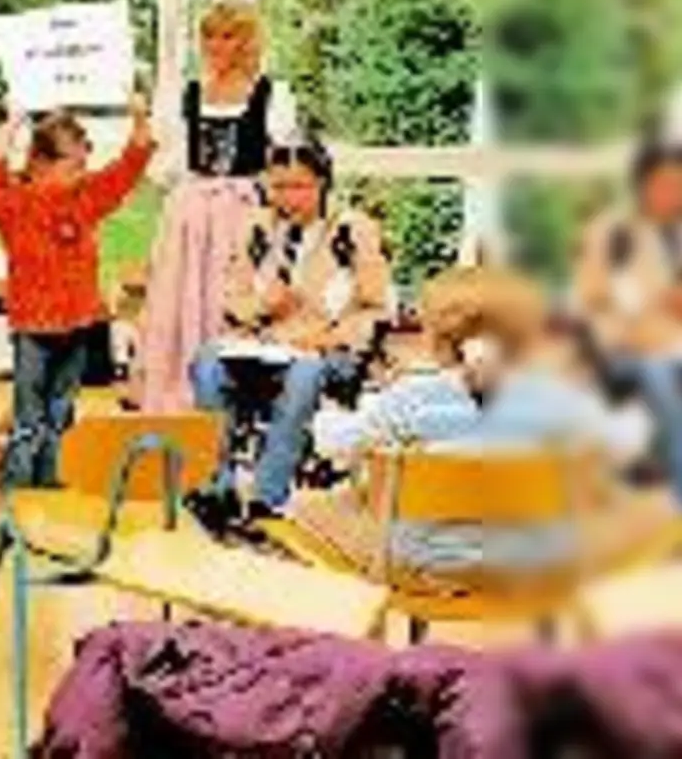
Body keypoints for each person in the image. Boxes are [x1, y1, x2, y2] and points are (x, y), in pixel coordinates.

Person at [290, 266, 676, 582]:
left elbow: (335, 444)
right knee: (649, 510)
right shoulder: (553, 396)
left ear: (438, 335)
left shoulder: (412, 396)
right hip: (538, 564)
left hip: (428, 564)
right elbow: (626, 441)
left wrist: (330, 412)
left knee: (312, 505)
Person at [184, 139, 393, 531]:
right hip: (266, 342)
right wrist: (264, 308)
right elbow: (235, 295)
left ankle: (268, 497)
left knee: (304, 375)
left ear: (323, 183)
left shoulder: (353, 230)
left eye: (299, 186)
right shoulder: (257, 227)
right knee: (206, 362)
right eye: (278, 186)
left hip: (327, 348)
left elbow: (375, 308)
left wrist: (321, 340)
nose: (288, 198)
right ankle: (218, 487)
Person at [0, 95, 156, 488]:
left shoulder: (86, 197)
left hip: (77, 326)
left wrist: (140, 118)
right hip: (33, 329)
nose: (82, 173)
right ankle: (19, 491)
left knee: (61, 414)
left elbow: (129, 167)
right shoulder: (16, 203)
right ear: (40, 163)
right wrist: (11, 123)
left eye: (84, 165)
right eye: (73, 164)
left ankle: (50, 485)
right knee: (29, 417)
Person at [136, 1, 280, 412]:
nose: (217, 45)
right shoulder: (192, 94)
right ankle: (178, 393)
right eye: (210, 36)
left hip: (243, 211)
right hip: (192, 212)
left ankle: (234, 396)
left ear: (247, 41)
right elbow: (174, 162)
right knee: (182, 299)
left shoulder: (268, 94)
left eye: (228, 35)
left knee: (230, 298)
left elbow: (280, 159)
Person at [574, 129, 682, 505]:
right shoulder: (613, 232)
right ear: (642, 183)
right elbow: (590, 300)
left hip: (674, 346)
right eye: (665, 184)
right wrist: (653, 300)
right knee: (659, 374)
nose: (674, 193)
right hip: (625, 352)